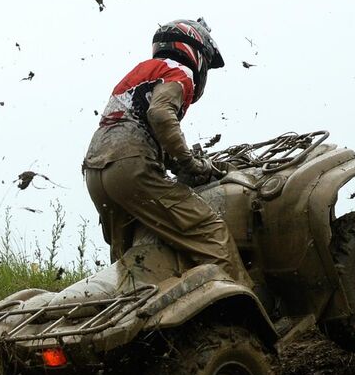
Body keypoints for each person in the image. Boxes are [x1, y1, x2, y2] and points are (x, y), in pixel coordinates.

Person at [81, 18, 245, 284]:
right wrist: (188, 161)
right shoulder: (181, 72)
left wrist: (175, 160)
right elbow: (159, 114)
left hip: (96, 174)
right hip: (130, 168)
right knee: (210, 232)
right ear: (197, 52)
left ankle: (136, 315)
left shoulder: (142, 71)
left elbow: (137, 123)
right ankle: (244, 309)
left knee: (130, 259)